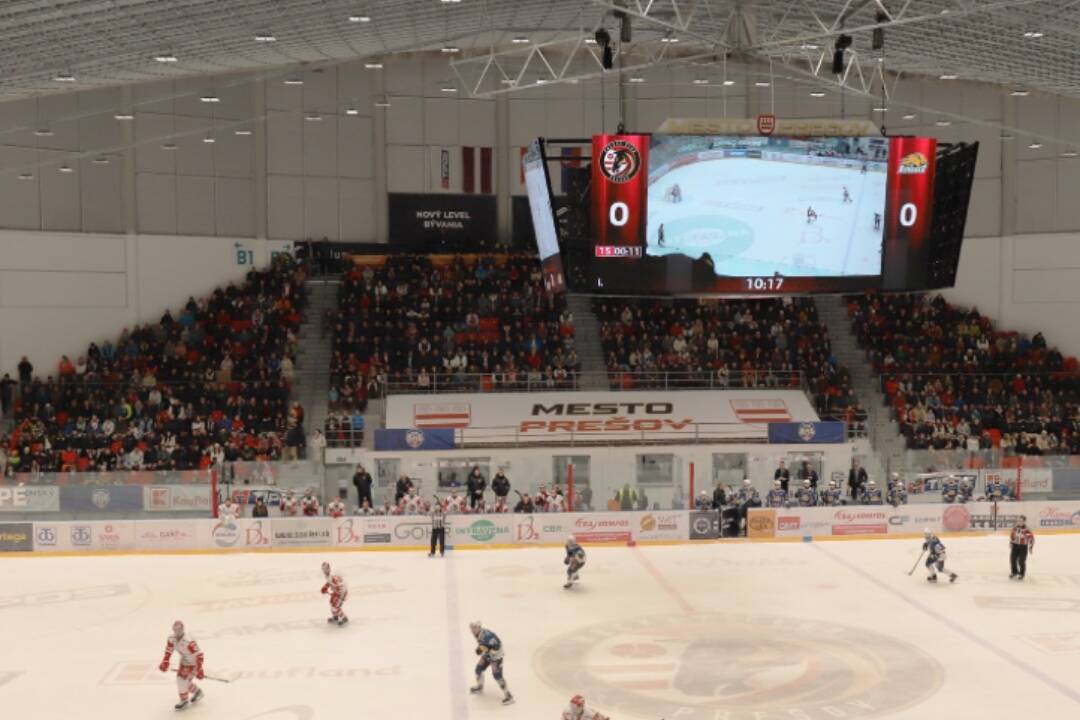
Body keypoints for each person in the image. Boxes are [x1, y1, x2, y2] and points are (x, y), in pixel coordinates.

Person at [158, 620, 205, 709]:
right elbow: (169, 650)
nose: (177, 632)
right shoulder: (171, 638)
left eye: (179, 630)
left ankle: (184, 700)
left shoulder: (188, 641)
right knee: (183, 681)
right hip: (183, 661)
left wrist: (199, 669)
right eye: (175, 630)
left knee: (181, 681)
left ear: (183, 629)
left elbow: (199, 655)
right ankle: (197, 692)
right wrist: (165, 661)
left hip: (193, 662)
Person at [469, 621, 513, 705]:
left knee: (497, 676)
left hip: (496, 657)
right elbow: (485, 645)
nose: (472, 630)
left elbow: (498, 645)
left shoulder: (487, 636)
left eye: (474, 627)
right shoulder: (479, 634)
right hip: (488, 655)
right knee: (478, 669)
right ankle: (480, 687)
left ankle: (508, 695)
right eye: (471, 628)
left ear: (479, 627)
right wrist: (482, 649)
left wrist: (487, 651)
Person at [320, 561, 348, 626]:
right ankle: (335, 617)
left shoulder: (333, 576)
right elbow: (329, 582)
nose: (325, 570)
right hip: (337, 592)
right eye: (323, 569)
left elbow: (341, 586)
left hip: (342, 593)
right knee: (332, 604)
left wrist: (338, 594)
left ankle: (343, 618)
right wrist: (325, 587)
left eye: (326, 568)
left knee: (335, 607)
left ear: (329, 568)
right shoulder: (328, 576)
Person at [1009, 516, 1035, 580]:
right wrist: (1011, 542)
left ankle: (1021, 574)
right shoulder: (1015, 527)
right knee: (1012, 560)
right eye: (1018, 521)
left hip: (1023, 547)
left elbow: (1031, 538)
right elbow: (1012, 536)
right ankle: (1014, 572)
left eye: (1021, 521)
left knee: (1021, 561)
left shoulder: (1026, 529)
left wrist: (1030, 547)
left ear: (1024, 521)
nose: (1019, 522)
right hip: (1015, 546)